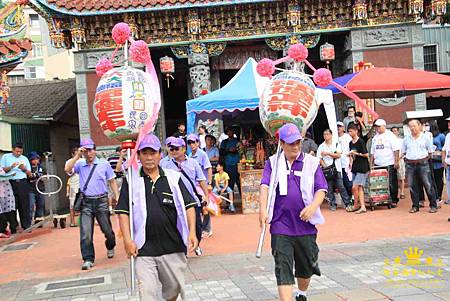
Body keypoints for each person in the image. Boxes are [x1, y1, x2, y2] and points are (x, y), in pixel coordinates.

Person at [116, 133, 198, 300]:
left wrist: (192, 232)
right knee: (147, 293)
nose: (149, 158)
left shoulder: (173, 178)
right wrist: (127, 240)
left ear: (160, 154)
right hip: (144, 247)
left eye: (152, 153)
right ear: (138, 155)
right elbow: (123, 211)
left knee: (173, 290)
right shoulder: (131, 180)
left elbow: (189, 205)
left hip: (172, 245)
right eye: (144, 153)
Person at [259, 123, 327, 301]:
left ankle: (302, 293)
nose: (295, 146)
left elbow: (321, 190)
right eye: (290, 143)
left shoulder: (311, 163)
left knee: (306, 267)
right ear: (281, 143)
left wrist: (312, 207)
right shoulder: (272, 163)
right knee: (283, 267)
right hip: (280, 224)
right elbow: (264, 187)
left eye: (298, 142)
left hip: (305, 226)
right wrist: (262, 209)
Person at [64, 138, 119, 270]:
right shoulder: (79, 164)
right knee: (86, 234)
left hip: (101, 201)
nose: (88, 153)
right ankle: (88, 258)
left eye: (91, 150)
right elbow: (67, 169)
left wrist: (117, 196)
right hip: (86, 202)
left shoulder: (103, 164)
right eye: (85, 151)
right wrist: (77, 155)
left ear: (95, 150)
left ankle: (110, 245)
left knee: (108, 231)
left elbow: (111, 181)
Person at [160, 137, 209, 256]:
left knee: (197, 227)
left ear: (183, 149)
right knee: (176, 227)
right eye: (171, 148)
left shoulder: (193, 163)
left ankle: (196, 244)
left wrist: (206, 195)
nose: (173, 151)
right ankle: (182, 250)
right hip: (174, 201)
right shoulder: (164, 164)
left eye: (176, 148)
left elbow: (202, 180)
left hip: (192, 200)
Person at [402, 119, 438, 213]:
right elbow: (403, 151)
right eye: (410, 126)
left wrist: (424, 160)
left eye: (414, 126)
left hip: (423, 163)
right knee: (412, 185)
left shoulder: (425, 137)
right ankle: (415, 205)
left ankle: (433, 205)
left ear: (419, 126)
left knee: (428, 184)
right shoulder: (406, 139)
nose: (412, 128)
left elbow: (430, 152)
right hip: (410, 164)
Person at [317, 129, 352, 212]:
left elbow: (338, 155)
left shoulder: (336, 144)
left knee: (341, 186)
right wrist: (325, 165)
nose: (326, 136)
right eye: (324, 134)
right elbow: (319, 158)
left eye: (327, 134)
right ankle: (333, 204)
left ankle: (347, 203)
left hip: (337, 169)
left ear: (331, 135)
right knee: (329, 188)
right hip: (327, 170)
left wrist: (328, 153)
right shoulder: (321, 146)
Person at [0, 142, 32, 230]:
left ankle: (26, 226)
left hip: (22, 182)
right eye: (17, 151)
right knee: (12, 205)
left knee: (24, 204)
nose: (19, 153)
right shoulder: (5, 157)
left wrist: (24, 169)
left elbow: (30, 174)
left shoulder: (24, 158)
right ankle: (13, 226)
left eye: (20, 152)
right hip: (10, 182)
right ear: (12, 149)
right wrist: (11, 167)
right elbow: (2, 170)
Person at [187, 134, 214, 237]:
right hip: (194, 186)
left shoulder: (202, 154)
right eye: (189, 142)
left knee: (205, 206)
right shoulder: (189, 155)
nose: (192, 144)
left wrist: (209, 183)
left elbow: (209, 168)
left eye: (193, 142)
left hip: (202, 185)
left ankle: (207, 229)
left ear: (198, 143)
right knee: (197, 207)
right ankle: (200, 228)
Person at [370, 119, 400, 208]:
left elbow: (396, 149)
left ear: (384, 126)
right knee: (379, 183)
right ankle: (382, 199)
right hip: (378, 164)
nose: (377, 128)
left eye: (379, 126)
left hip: (389, 163)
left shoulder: (390, 136)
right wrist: (371, 163)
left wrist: (396, 161)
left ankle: (393, 199)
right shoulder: (375, 137)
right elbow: (372, 152)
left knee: (391, 182)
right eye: (376, 127)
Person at [348, 124, 370, 214]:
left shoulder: (361, 141)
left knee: (355, 186)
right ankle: (362, 206)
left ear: (356, 131)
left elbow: (366, 154)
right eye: (349, 131)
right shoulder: (350, 143)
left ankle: (356, 205)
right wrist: (350, 157)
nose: (350, 133)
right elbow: (352, 155)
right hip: (355, 166)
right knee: (359, 187)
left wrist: (357, 154)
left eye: (351, 131)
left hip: (363, 167)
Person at [220, 127, 241, 196]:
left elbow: (241, 151)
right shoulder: (224, 142)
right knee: (230, 183)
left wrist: (236, 150)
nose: (230, 133)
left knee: (239, 182)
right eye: (228, 131)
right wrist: (229, 150)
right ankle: (229, 201)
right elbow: (221, 152)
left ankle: (243, 199)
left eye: (231, 131)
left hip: (237, 164)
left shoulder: (237, 141)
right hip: (228, 164)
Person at [430, 122, 445, 204]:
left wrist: (439, 152)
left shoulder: (441, 136)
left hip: (439, 161)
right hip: (431, 161)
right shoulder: (429, 136)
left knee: (439, 179)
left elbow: (444, 147)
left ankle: (439, 195)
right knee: (433, 180)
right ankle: (435, 195)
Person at [107, 146, 126, 213]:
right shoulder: (123, 159)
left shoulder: (109, 159)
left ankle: (110, 209)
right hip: (120, 178)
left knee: (110, 193)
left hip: (111, 178)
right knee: (119, 193)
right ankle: (118, 207)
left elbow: (107, 168)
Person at [28, 152, 45, 224]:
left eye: (37, 159)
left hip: (41, 189)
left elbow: (44, 176)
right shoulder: (28, 167)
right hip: (31, 189)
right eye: (33, 159)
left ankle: (38, 220)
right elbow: (29, 176)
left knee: (41, 204)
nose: (35, 161)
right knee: (31, 205)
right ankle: (29, 222)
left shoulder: (41, 167)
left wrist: (41, 177)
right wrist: (34, 175)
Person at [337, 121, 353, 197]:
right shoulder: (334, 137)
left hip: (346, 162)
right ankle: (348, 199)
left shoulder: (347, 137)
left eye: (340, 126)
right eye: (337, 126)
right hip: (338, 163)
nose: (338, 128)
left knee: (349, 182)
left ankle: (353, 197)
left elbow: (351, 150)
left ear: (343, 128)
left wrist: (351, 161)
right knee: (342, 183)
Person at [65, 148, 80, 227]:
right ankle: (72, 221)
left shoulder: (83, 161)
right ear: (72, 154)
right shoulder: (69, 162)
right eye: (76, 153)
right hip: (73, 185)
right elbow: (69, 172)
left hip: (83, 185)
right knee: (72, 204)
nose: (78, 155)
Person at [0, 166, 16, 237]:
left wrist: (10, 175)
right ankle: (3, 230)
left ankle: (4, 230)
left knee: (7, 212)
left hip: (5, 191)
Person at [391, 127, 406, 199]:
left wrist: (398, 158)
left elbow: (404, 151)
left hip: (400, 160)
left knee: (401, 177)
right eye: (393, 131)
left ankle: (402, 192)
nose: (394, 132)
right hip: (391, 161)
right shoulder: (390, 140)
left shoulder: (401, 141)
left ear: (398, 132)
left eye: (395, 131)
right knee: (393, 178)